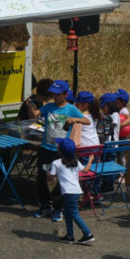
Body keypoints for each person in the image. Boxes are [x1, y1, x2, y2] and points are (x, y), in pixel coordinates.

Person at [34, 79, 87, 220]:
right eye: (53, 94)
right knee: (43, 178)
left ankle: (58, 209)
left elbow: (87, 121)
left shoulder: (70, 108)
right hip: (46, 149)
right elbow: (35, 114)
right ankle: (44, 206)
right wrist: (30, 105)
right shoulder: (49, 106)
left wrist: (74, 120)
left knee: (59, 180)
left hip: (60, 151)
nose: (55, 97)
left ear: (65, 94)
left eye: (58, 94)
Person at [48, 138, 96, 245]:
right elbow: (86, 170)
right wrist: (90, 160)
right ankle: (69, 236)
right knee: (67, 213)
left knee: (74, 214)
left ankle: (88, 234)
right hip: (76, 191)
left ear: (59, 150)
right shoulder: (75, 161)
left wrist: (48, 174)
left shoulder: (56, 163)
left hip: (69, 192)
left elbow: (50, 178)